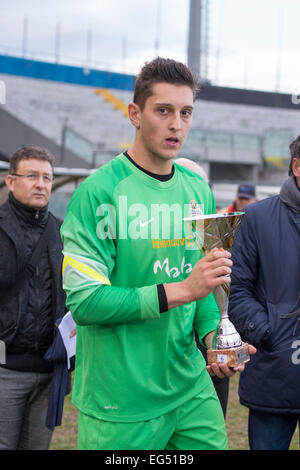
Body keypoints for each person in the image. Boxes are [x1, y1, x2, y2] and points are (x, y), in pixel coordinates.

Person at [61, 57, 253, 451]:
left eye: (186, 113)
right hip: (121, 399)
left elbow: (204, 287)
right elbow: (86, 302)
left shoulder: (197, 191)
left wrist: (213, 338)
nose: (176, 124)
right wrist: (183, 289)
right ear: (135, 113)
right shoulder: (98, 192)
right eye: (163, 110)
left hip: (189, 387)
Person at [228, 135, 300, 450]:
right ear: (297, 166)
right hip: (273, 374)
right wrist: (271, 334)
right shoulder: (257, 218)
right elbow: (237, 290)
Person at [0, 145, 66, 450]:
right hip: (5, 370)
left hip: (49, 370)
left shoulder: (63, 232)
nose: (41, 184)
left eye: (47, 177)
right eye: (32, 176)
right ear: (11, 181)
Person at [175, 157, 229, 416]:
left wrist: (218, 340)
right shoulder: (153, 239)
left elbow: (212, 296)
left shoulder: (213, 233)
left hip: (208, 352)